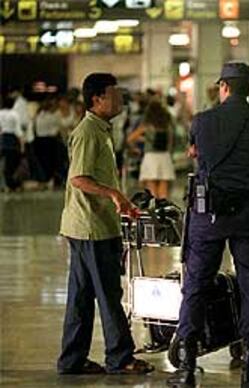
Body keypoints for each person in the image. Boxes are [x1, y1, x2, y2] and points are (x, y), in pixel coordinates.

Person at [166, 62, 249, 388]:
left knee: (196, 286)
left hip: (209, 214)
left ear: (223, 87)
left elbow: (197, 154)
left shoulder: (202, 120)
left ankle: (186, 369)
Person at [57, 73, 154, 375]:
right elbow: (79, 178)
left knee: (81, 298)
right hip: (92, 228)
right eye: (115, 94)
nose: (121, 99)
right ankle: (120, 357)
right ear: (97, 99)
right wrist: (113, 194)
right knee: (109, 294)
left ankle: (72, 361)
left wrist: (121, 202)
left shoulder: (101, 130)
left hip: (87, 226)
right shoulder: (89, 132)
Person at [127, 100, 176, 199]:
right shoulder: (167, 125)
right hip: (165, 157)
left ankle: (155, 210)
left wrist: (137, 147)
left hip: (150, 157)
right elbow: (171, 142)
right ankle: (163, 211)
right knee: (163, 188)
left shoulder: (147, 125)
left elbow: (130, 139)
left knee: (152, 188)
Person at [0, 96, 25, 191]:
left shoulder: (0, 113)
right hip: (12, 140)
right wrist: (22, 146)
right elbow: (18, 131)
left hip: (2, 139)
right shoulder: (14, 114)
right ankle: (10, 184)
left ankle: (3, 184)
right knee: (10, 165)